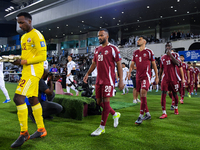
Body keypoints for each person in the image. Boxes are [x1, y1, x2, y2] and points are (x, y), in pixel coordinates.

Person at [10, 12, 47, 148]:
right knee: (33, 99)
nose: (20, 25)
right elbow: (25, 55)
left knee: (18, 98)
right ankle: (41, 129)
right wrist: (17, 59)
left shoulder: (37, 35)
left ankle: (24, 133)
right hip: (26, 70)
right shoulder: (24, 37)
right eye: (18, 23)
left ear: (29, 21)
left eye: (22, 22)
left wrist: (24, 61)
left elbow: (43, 56)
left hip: (33, 71)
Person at [83, 28, 123, 136]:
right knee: (98, 102)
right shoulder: (97, 49)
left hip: (108, 80)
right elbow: (94, 64)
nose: (99, 37)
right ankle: (115, 114)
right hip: (98, 79)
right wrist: (87, 74)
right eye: (98, 36)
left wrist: (121, 80)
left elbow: (119, 64)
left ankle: (102, 127)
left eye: (101, 35)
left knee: (105, 102)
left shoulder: (113, 48)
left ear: (107, 36)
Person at [128, 36, 158, 124]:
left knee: (142, 93)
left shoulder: (149, 52)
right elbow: (132, 63)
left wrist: (156, 76)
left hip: (146, 76)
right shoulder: (135, 52)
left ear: (144, 41)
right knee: (142, 96)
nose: (137, 41)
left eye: (139, 39)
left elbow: (154, 64)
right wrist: (129, 72)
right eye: (137, 39)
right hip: (138, 76)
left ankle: (140, 116)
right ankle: (148, 114)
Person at [159, 42, 185, 119]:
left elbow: (178, 63)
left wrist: (170, 55)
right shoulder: (162, 57)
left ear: (171, 47)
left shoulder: (175, 55)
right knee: (163, 94)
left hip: (174, 78)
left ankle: (176, 107)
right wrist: (159, 78)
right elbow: (161, 68)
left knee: (175, 94)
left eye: (168, 46)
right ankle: (164, 112)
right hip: (165, 78)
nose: (167, 47)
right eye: (166, 46)